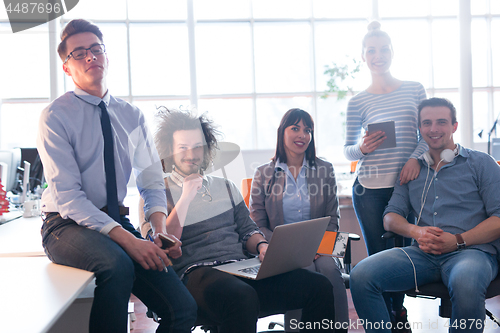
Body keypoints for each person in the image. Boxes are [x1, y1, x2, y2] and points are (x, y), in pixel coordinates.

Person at [37, 19, 197, 333]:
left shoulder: (130, 115)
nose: (90, 57)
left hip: (112, 220)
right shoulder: (55, 116)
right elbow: (68, 198)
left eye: (96, 50)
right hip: (63, 223)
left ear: (107, 57)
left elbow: (151, 180)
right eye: (79, 53)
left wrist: (158, 231)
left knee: (183, 309)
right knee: (118, 265)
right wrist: (131, 242)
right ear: (67, 68)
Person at [140, 108, 337, 333]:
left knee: (318, 286)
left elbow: (247, 229)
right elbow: (162, 245)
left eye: (197, 147)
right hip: (196, 273)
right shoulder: (158, 192)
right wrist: (185, 197)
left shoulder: (225, 186)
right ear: (170, 151)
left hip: (241, 268)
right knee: (241, 296)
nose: (191, 154)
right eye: (183, 148)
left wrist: (263, 246)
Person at [350, 97, 500, 333]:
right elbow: (390, 216)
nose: (434, 129)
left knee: (466, 283)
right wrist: (416, 231)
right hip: (423, 254)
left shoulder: (481, 163)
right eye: (427, 123)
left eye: (441, 122)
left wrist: (457, 240)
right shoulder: (413, 170)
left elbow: (499, 219)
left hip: (472, 252)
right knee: (361, 275)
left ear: (454, 126)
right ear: (419, 129)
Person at [343, 20, 427, 328]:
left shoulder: (414, 89)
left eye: (383, 49)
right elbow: (347, 150)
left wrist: (415, 159)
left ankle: (397, 312)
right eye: (371, 51)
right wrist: (362, 149)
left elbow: (426, 135)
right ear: (363, 57)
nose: (378, 56)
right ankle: (391, 318)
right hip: (369, 188)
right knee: (379, 257)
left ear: (392, 52)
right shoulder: (358, 101)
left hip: (405, 185)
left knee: (402, 258)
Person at [249, 108, 348, 332]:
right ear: (282, 132)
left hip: (324, 242)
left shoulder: (325, 169)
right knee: (305, 272)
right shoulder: (264, 172)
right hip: (282, 249)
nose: (302, 135)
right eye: (295, 128)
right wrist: (287, 249)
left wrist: (319, 247)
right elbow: (256, 222)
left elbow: (334, 216)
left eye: (307, 130)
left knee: (330, 271)